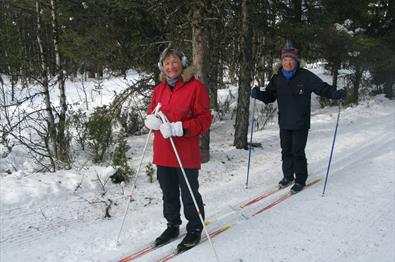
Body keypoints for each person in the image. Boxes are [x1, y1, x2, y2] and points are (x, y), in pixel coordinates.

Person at [251, 42, 346, 194]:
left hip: (301, 122)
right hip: (285, 121)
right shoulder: (277, 78)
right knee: (286, 150)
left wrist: (336, 94)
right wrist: (258, 94)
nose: (288, 63)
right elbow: (269, 96)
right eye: (285, 60)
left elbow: (322, 88)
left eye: (291, 60)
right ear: (281, 62)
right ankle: (288, 176)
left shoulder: (305, 76)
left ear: (296, 61)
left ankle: (300, 179)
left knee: (297, 151)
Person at [144, 47, 212, 252]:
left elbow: (204, 119)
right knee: (168, 192)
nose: (171, 66)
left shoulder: (195, 87)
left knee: (189, 193)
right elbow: (150, 116)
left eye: (174, 62)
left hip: (185, 151)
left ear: (182, 63)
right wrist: (151, 122)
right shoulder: (159, 90)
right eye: (167, 63)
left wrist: (180, 128)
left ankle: (194, 227)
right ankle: (173, 225)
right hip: (164, 152)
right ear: (162, 67)